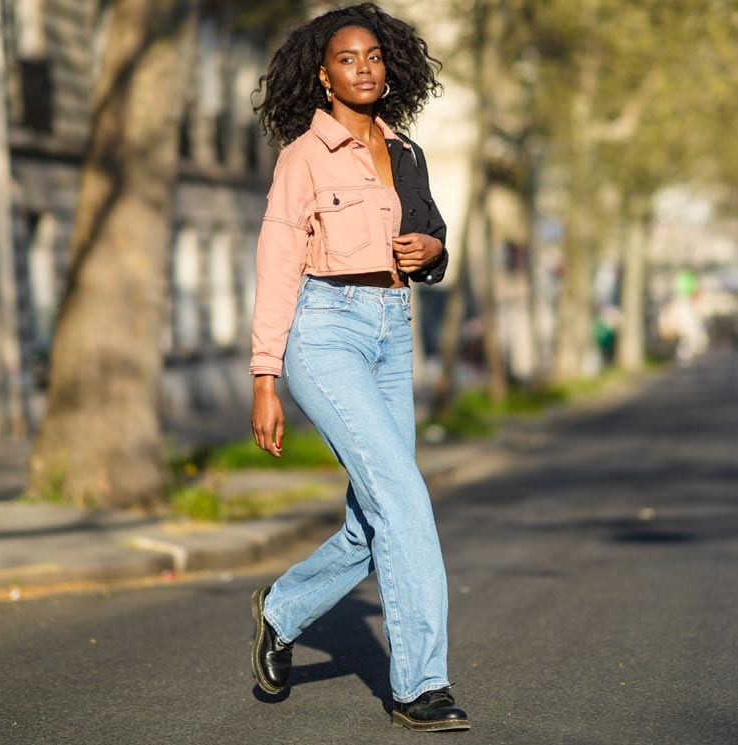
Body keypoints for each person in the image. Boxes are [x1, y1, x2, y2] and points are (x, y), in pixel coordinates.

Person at [248, 3, 469, 732]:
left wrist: (431, 253)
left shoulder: (404, 151)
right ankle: (420, 685)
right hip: (324, 330)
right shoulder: (302, 157)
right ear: (322, 73)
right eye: (347, 58)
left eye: (373, 56)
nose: (363, 67)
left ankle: (282, 609)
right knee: (403, 496)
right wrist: (264, 376)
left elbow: (429, 232)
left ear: (389, 65)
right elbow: (277, 263)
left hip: (391, 330)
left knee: (375, 518)